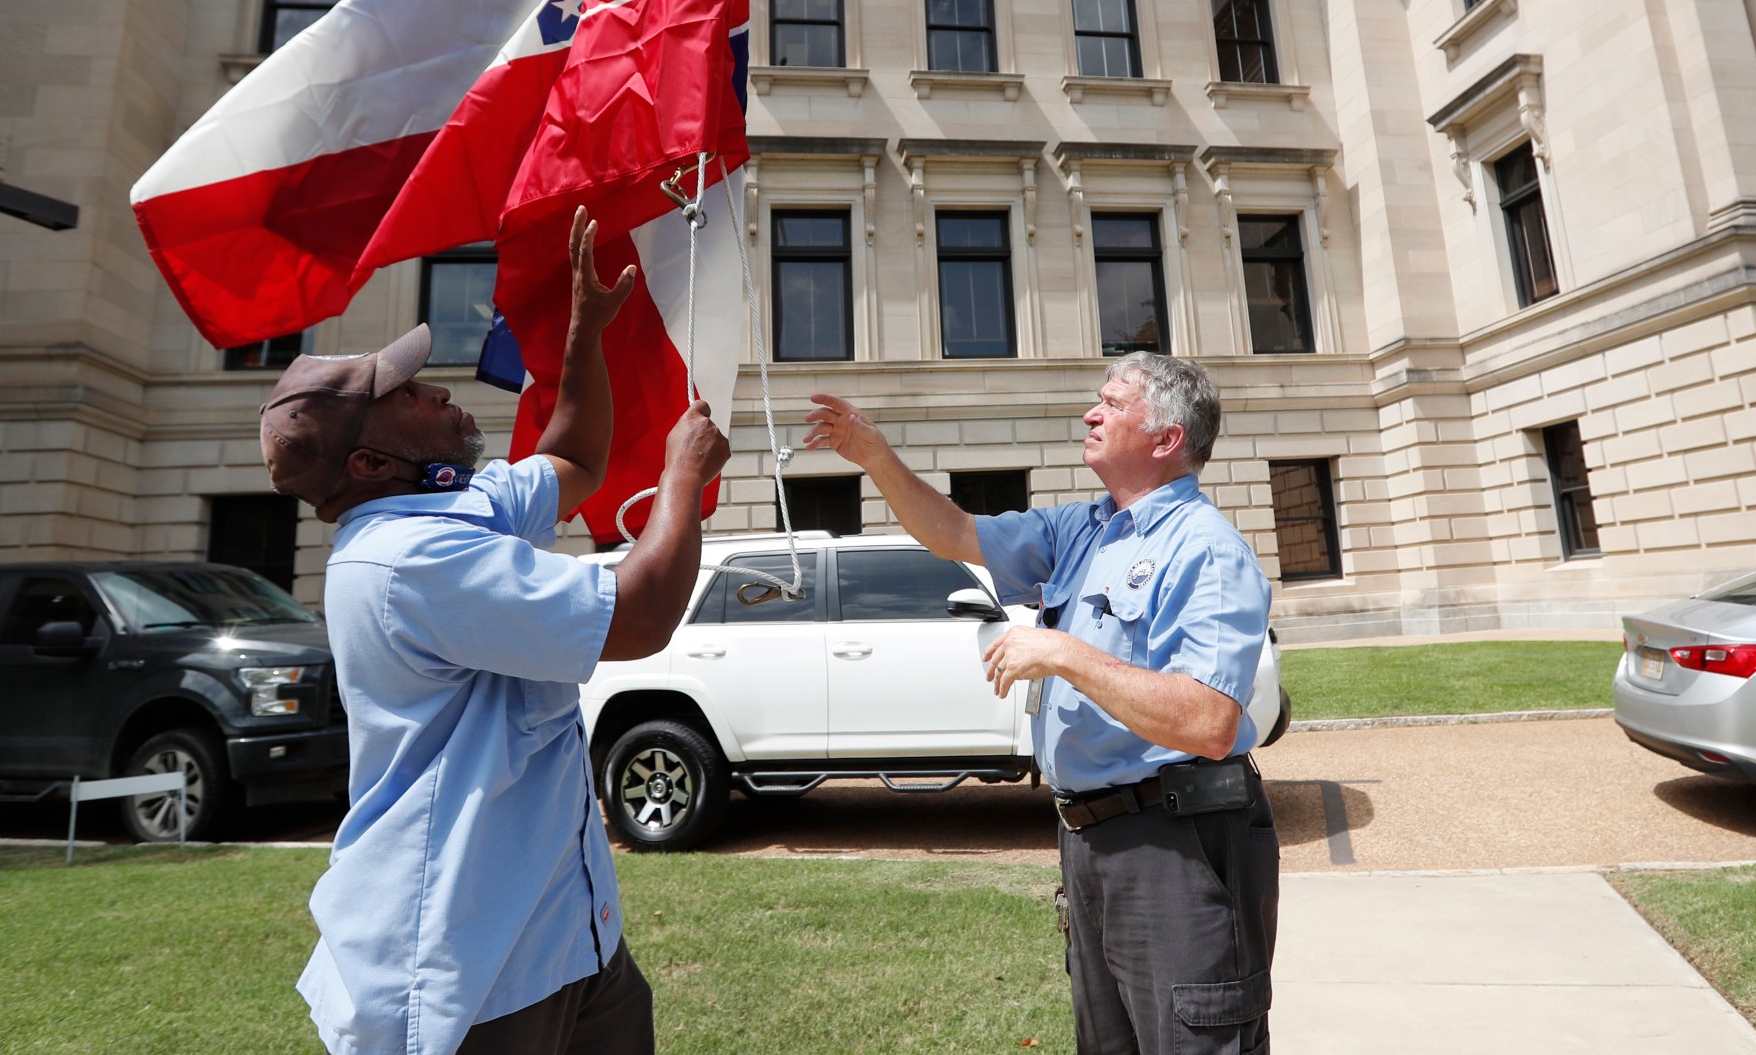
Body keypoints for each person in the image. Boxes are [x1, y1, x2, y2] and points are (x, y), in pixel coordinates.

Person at [265, 210, 729, 1055]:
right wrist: (682, 474)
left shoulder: (445, 512)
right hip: (465, 968)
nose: (437, 389)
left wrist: (585, 335)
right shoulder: (410, 558)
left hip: (563, 936)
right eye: (408, 396)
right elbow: (643, 613)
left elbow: (577, 462)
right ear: (367, 465)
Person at [803, 353, 1276, 1055]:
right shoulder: (1081, 529)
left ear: (1166, 439)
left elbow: (1208, 722)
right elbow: (953, 532)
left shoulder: (1204, 549)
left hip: (1179, 848)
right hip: (1092, 843)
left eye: (1112, 404)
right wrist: (874, 455)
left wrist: (1064, 653)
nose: (1091, 413)